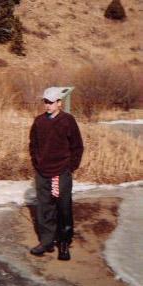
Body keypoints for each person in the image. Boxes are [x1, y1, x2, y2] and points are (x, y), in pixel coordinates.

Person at [29, 87, 84, 261]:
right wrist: (37, 163)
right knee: (45, 208)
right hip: (43, 172)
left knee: (63, 208)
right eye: (45, 102)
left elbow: (77, 147)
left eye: (51, 102)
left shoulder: (68, 121)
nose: (48, 105)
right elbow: (33, 145)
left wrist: (70, 168)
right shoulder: (39, 121)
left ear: (59, 103)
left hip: (60, 173)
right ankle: (46, 242)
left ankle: (64, 244)